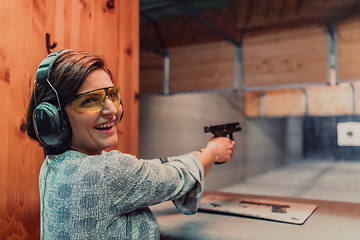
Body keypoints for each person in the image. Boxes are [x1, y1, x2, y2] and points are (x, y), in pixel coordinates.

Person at [26, 49, 235, 240]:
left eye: (111, 95)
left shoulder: (52, 166)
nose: (112, 110)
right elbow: (176, 178)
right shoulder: (111, 171)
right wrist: (213, 152)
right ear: (55, 119)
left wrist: (201, 153)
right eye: (90, 100)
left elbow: (148, 170)